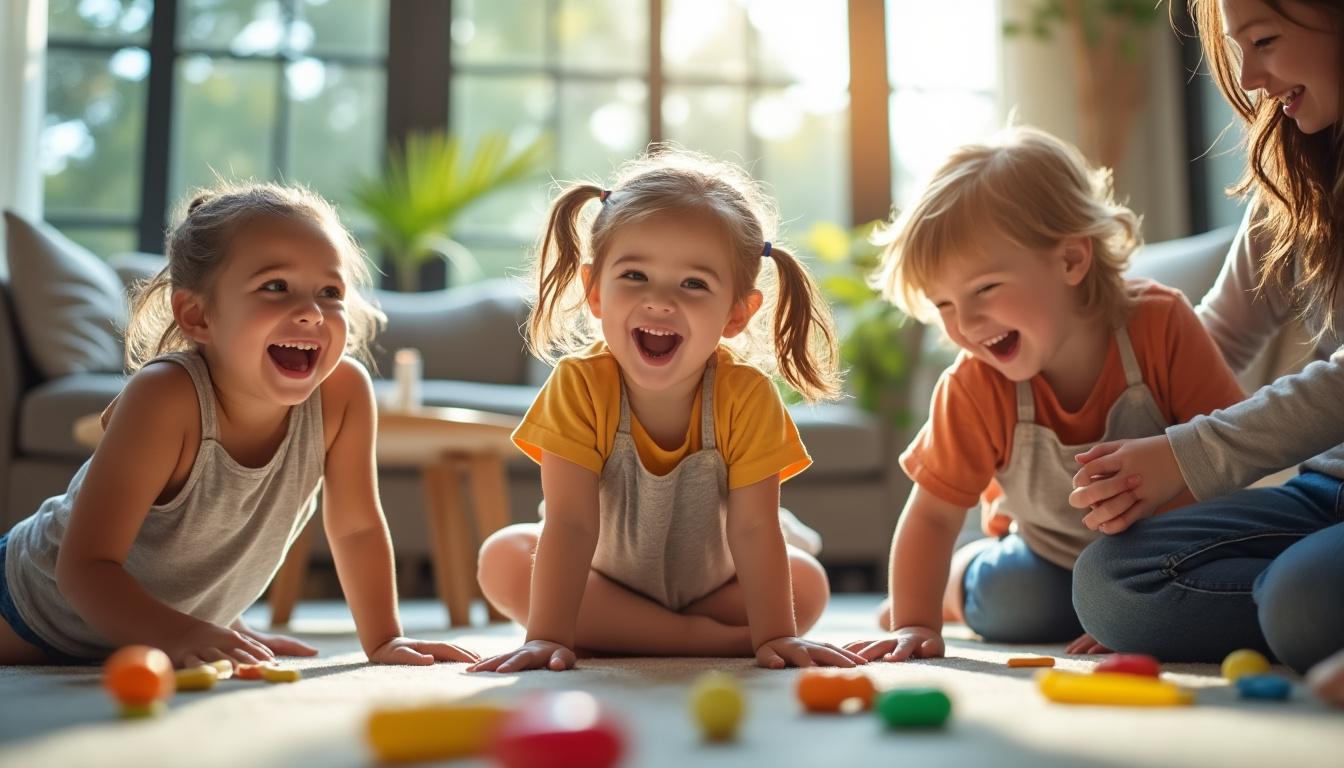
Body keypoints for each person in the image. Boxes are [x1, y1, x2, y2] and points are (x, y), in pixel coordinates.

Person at [0, 182, 479, 668]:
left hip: (144, 630)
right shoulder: (166, 397)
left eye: (330, 292)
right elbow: (82, 569)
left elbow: (356, 528)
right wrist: (183, 631)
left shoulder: (343, 394)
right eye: (275, 286)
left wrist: (384, 640)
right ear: (197, 315)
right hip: (24, 609)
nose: (312, 312)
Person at [845, 126, 1245, 663]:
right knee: (1015, 606)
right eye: (943, 304)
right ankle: (953, 589)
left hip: (1164, 551)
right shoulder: (973, 384)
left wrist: (1132, 606)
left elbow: (1227, 456)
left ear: (1071, 261)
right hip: (1043, 559)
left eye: (984, 288)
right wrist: (912, 619)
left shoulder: (1161, 324)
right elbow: (934, 516)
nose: (964, 323)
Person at [469, 147, 865, 673]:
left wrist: (773, 636)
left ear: (737, 313)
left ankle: (629, 635)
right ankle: (709, 642)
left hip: (713, 585)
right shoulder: (578, 385)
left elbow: (753, 530)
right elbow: (569, 523)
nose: (659, 301)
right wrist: (546, 637)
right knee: (502, 559)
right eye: (634, 275)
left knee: (807, 584)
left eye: (694, 284)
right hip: (602, 577)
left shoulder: (747, 396)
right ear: (594, 290)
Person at [1068, 0, 1344, 706]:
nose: (1249, 76)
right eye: (1238, 48)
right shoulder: (1297, 179)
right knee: (1111, 584)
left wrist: (1189, 455)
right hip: (1328, 491)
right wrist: (1115, 465)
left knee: (1300, 600)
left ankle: (1304, 606)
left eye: (1267, 40)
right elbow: (1214, 333)